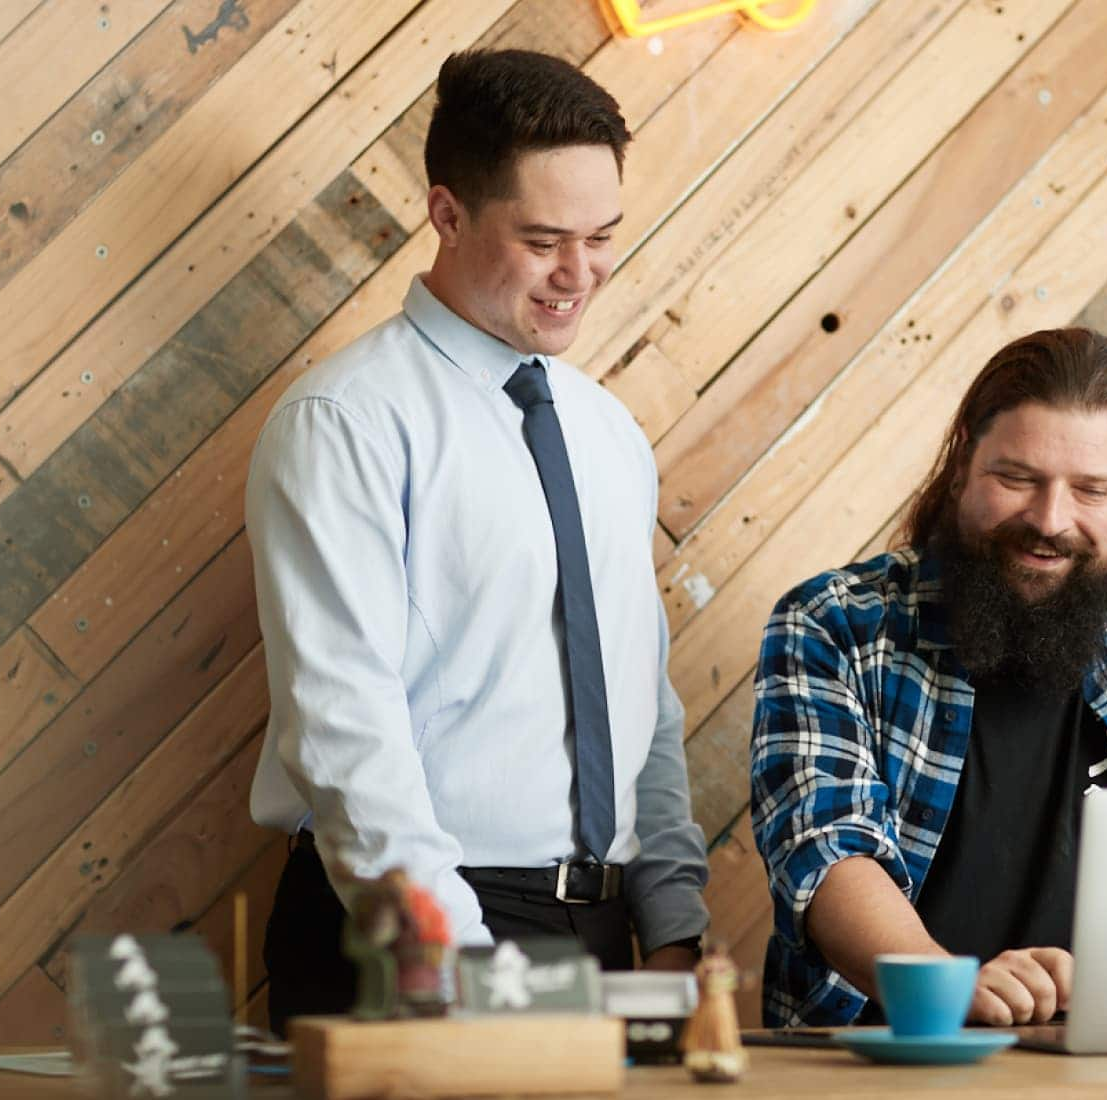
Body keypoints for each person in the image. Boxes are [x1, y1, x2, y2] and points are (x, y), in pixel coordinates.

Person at [245, 48, 707, 1036]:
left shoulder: (609, 432)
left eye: (602, 236)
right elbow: (343, 726)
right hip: (411, 940)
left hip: (599, 932)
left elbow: (641, 700)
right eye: (543, 239)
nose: (578, 274)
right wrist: (451, 965)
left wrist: (670, 920)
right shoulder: (346, 421)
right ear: (446, 212)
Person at [747, 327, 1107, 1029]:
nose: (1049, 520)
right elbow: (824, 850)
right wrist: (945, 988)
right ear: (963, 460)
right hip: (881, 1059)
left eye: (1092, 489)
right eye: (1017, 479)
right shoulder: (834, 626)